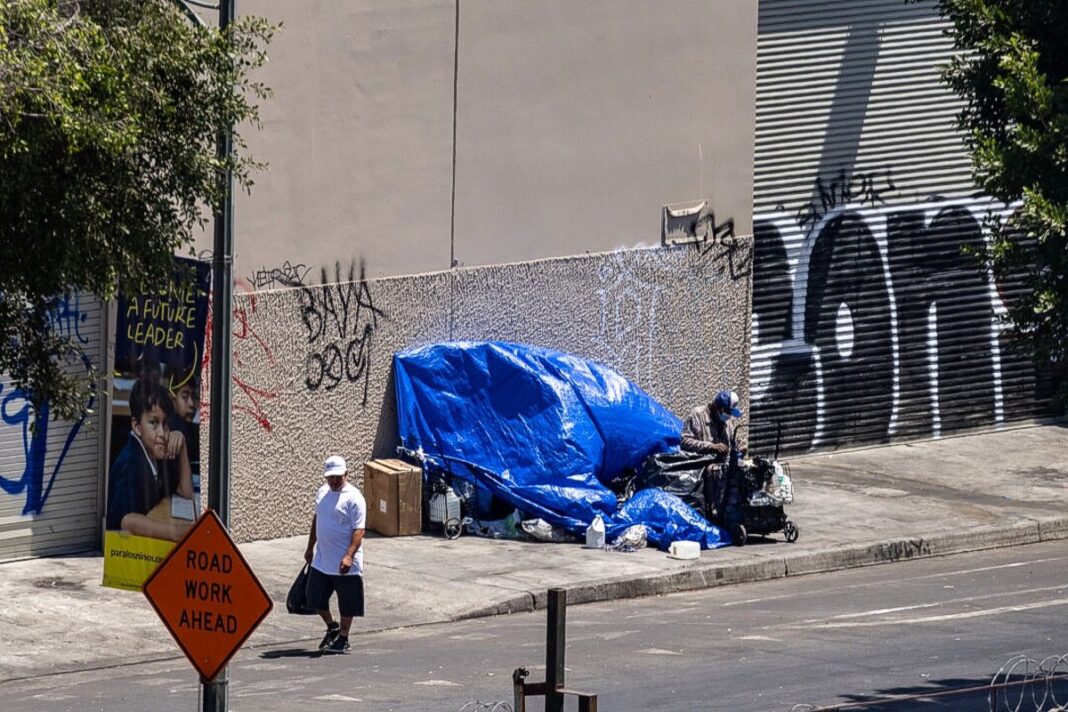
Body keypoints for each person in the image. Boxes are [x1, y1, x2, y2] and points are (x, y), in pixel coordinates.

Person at [106, 377, 194, 541]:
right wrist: (177, 533)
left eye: (165, 424)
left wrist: (182, 448)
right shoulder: (131, 462)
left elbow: (186, 493)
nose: (162, 433)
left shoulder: (155, 451)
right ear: (137, 427)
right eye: (154, 423)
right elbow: (126, 521)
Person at [304, 455, 366, 655]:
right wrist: (309, 547)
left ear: (346, 474)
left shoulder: (354, 498)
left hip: (345, 562)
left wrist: (349, 556)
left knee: (347, 602)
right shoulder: (322, 493)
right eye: (330, 477)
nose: (334, 481)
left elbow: (359, 531)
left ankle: (344, 638)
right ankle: (332, 627)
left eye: (338, 477)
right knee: (313, 598)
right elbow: (317, 519)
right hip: (322, 559)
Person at [680, 390, 745, 539]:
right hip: (701, 467)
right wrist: (710, 446)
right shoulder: (697, 415)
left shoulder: (726, 421)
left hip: (724, 464)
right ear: (719, 408)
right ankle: (718, 513)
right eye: (727, 412)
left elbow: (735, 441)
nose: (728, 417)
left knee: (743, 471)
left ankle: (739, 512)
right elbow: (684, 441)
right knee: (717, 472)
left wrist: (741, 446)